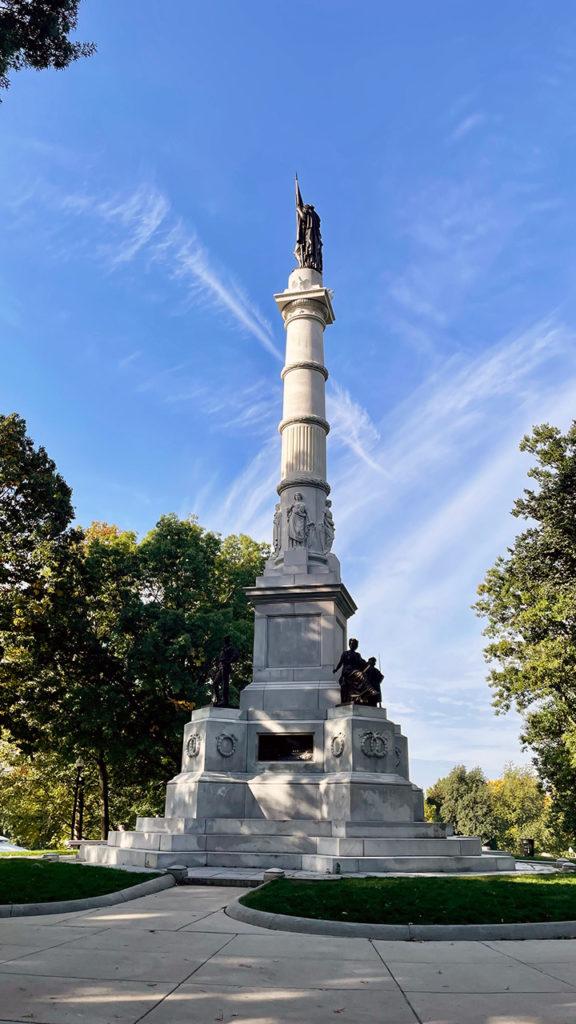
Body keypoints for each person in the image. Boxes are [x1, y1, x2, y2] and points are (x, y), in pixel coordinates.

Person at [333, 638, 367, 704]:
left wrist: (367, 664)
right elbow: (341, 662)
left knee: (357, 684)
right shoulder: (345, 653)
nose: (354, 645)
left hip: (354, 672)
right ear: (349, 644)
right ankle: (344, 701)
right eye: (352, 644)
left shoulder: (358, 655)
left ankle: (357, 699)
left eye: (355, 644)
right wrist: (336, 669)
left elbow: (362, 663)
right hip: (346, 672)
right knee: (344, 686)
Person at [212, 635, 239, 707]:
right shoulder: (224, 648)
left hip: (226, 667)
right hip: (221, 667)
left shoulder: (231, 648)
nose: (224, 641)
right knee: (215, 683)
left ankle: (225, 701)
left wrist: (229, 661)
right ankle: (219, 700)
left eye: (225, 640)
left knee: (225, 684)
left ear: (228, 640)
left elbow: (236, 655)